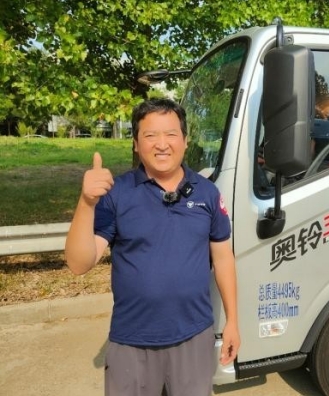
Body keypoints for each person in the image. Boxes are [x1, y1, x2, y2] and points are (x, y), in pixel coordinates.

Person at [65, 98, 240, 396]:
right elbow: (79, 263)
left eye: (171, 134)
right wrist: (87, 202)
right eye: (150, 135)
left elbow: (223, 259)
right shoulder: (117, 193)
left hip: (193, 335)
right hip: (131, 340)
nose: (162, 144)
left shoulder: (207, 193)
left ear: (185, 141)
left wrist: (233, 321)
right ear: (136, 144)